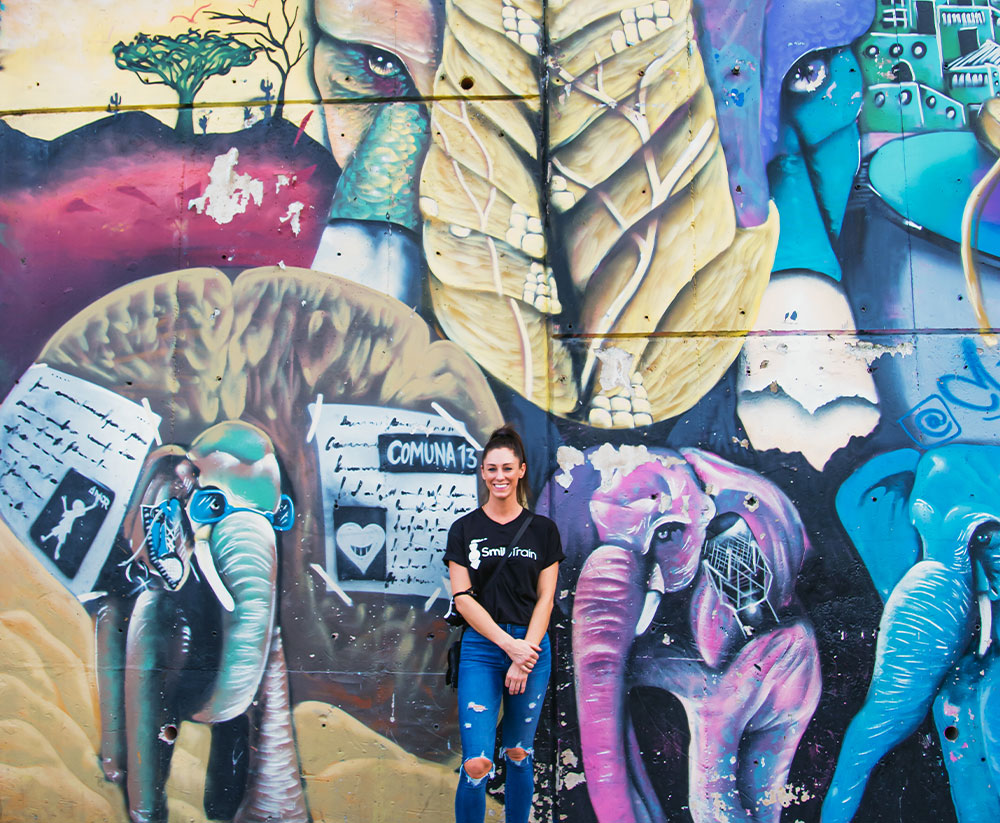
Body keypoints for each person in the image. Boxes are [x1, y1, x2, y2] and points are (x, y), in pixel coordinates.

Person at [444, 424, 564, 823]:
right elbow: (463, 599)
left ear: (521, 471)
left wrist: (524, 652)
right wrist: (507, 647)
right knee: (477, 763)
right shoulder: (464, 530)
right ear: (482, 472)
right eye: (492, 468)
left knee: (517, 753)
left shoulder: (543, 531)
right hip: (483, 648)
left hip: (532, 648)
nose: (500, 476)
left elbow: (547, 598)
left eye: (507, 468)